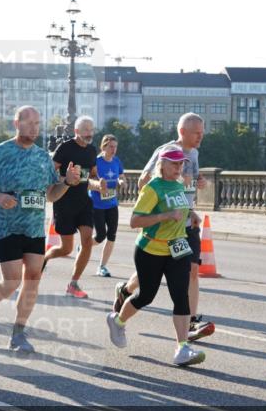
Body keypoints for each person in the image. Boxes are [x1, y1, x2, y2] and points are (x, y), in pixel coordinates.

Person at [0, 106, 78, 353]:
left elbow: (51, 194)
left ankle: (18, 333)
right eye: (28, 122)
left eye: (37, 123)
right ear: (16, 123)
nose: (34, 127)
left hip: (34, 229)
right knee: (11, 282)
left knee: (32, 278)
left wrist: (68, 183)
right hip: (8, 227)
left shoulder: (42, 158)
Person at [114, 113, 215, 342]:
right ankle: (126, 291)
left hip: (185, 224)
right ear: (183, 132)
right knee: (149, 281)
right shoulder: (166, 150)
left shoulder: (194, 154)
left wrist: (197, 192)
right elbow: (143, 181)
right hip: (162, 225)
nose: (201, 136)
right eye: (197, 132)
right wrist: (160, 203)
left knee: (191, 272)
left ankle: (188, 323)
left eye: (202, 131)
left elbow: (187, 187)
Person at [106, 145, 205, 368]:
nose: (179, 167)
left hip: (177, 247)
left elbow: (182, 206)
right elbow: (135, 221)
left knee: (181, 297)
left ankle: (182, 348)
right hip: (150, 250)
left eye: (182, 163)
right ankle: (118, 321)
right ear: (162, 164)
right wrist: (166, 215)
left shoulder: (178, 185)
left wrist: (192, 213)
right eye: (175, 163)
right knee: (146, 296)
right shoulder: (152, 189)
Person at [42, 115, 103, 298]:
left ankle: (73, 283)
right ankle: (45, 258)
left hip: (83, 202)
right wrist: (62, 179)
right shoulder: (65, 148)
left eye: (91, 130)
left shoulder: (92, 151)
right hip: (64, 202)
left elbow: (92, 175)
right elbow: (48, 171)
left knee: (86, 242)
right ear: (76, 131)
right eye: (85, 130)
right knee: (66, 249)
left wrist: (99, 184)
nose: (89, 134)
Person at [91, 134, 126, 277]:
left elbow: (121, 175)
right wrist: (98, 185)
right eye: (111, 146)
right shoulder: (96, 161)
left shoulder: (117, 161)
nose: (113, 149)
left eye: (115, 147)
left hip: (112, 204)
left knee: (111, 235)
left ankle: (102, 266)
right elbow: (89, 179)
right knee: (100, 236)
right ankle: (86, 246)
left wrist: (122, 182)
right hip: (97, 204)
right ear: (103, 146)